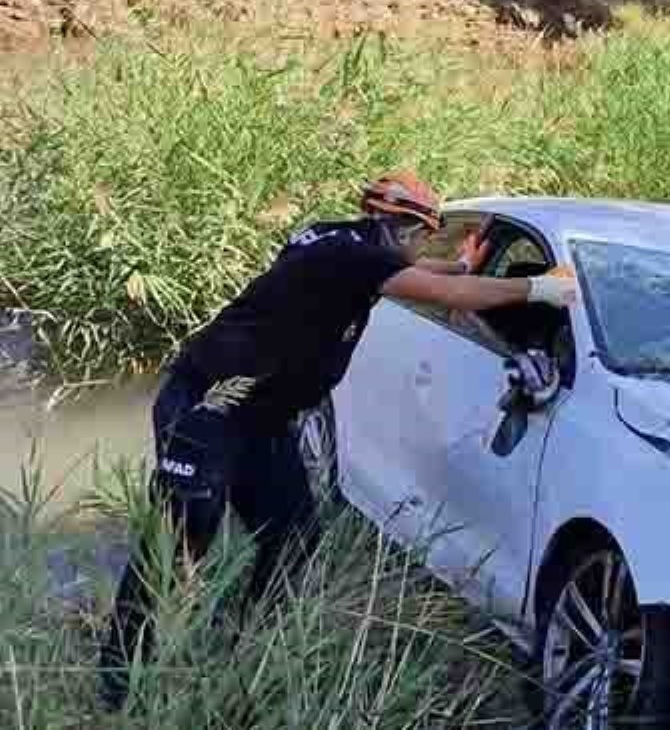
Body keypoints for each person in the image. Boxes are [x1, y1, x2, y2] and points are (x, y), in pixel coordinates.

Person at [98, 171, 577, 710]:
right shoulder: (361, 259)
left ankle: (239, 647)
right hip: (207, 409)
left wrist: (461, 264)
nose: (422, 248)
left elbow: (417, 272)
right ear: (401, 229)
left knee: (293, 533)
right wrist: (537, 287)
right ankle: (121, 678)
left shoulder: (339, 239)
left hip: (260, 421)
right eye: (423, 235)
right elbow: (443, 292)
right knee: (178, 545)